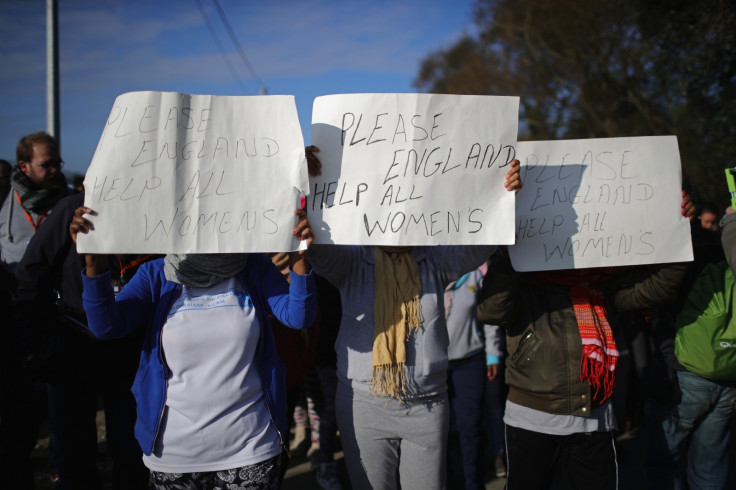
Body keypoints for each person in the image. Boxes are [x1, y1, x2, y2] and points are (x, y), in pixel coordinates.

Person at [306, 146, 522, 490]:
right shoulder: (350, 261)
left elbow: (486, 240)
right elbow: (313, 244)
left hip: (428, 405)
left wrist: (503, 194)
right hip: (363, 406)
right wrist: (309, 181)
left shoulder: (435, 259)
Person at [72, 205, 319, 489]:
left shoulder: (253, 267)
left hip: (251, 449)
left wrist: (299, 257)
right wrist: (94, 264)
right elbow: (106, 326)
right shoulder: (156, 274)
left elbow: (298, 316)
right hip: (174, 454)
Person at [474, 193, 693, 490]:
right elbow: (491, 310)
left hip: (594, 419)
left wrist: (679, 229)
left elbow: (658, 288)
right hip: (532, 420)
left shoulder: (602, 282)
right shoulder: (524, 277)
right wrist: (509, 253)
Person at [13, 192, 153, 489]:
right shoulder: (74, 208)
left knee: (131, 446)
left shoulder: (154, 206)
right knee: (72, 448)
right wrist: (34, 343)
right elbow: (31, 274)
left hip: (131, 347)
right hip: (73, 343)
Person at [444, 260, 505, 489]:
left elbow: (488, 319)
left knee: (470, 430)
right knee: (441, 434)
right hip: (436, 368)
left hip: (470, 364)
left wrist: (493, 354)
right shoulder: (427, 272)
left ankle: (474, 484)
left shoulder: (474, 275)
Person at [0, 132, 70, 272]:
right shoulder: (4, 196)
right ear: (24, 166)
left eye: (57, 163)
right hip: (14, 287)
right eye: (46, 164)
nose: (54, 170)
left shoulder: (70, 200)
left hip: (56, 287)